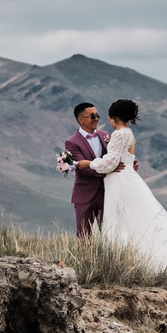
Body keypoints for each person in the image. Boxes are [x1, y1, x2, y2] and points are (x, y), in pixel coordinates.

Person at [84, 98, 167, 280]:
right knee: (134, 220)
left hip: (119, 181)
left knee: (120, 220)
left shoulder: (118, 134)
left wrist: (89, 164)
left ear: (112, 117)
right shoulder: (129, 133)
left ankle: (123, 264)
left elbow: (111, 162)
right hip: (129, 178)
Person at [60, 101, 112, 238]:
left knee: (109, 232)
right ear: (80, 120)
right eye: (92, 116)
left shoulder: (105, 135)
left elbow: (113, 158)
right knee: (84, 234)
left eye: (97, 115)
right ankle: (83, 259)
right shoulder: (72, 142)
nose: (96, 119)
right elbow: (83, 169)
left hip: (107, 192)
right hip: (85, 194)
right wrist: (109, 169)